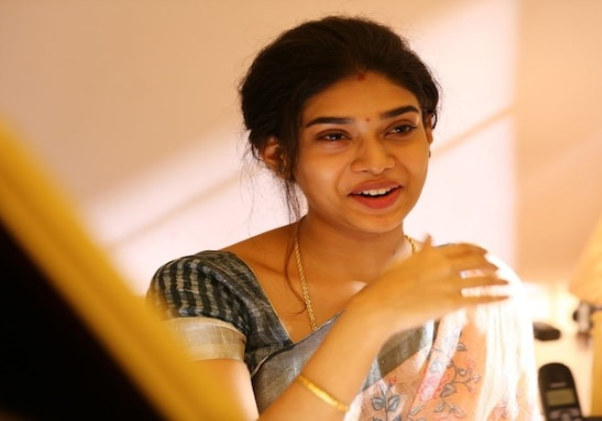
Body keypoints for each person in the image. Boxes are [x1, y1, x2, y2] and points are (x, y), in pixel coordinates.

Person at [147, 15, 540, 420]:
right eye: (334, 136)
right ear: (279, 156)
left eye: (399, 128)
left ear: (428, 132)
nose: (376, 161)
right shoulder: (202, 288)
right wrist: (371, 317)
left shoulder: (475, 284)